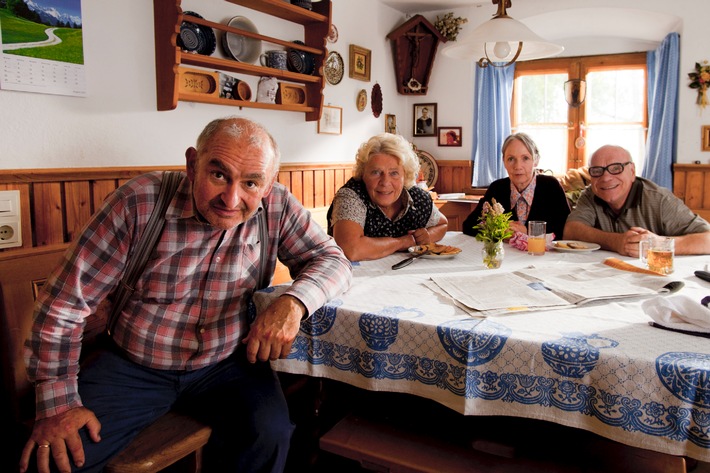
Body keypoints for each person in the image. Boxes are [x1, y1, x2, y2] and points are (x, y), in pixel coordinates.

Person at [19, 116, 352, 473]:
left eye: (251, 183)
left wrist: (294, 303)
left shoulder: (277, 206)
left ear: (268, 186)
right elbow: (64, 305)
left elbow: (333, 260)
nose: (231, 198)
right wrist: (58, 405)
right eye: (219, 174)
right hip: (133, 365)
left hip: (228, 364)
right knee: (57, 459)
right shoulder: (139, 202)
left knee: (270, 436)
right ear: (192, 165)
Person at [564, 144, 710, 256]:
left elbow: (708, 240)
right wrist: (616, 242)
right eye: (597, 171)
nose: (606, 178)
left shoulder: (659, 200)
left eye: (616, 168)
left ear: (632, 171)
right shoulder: (591, 195)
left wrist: (660, 244)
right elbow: (571, 231)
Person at [327, 132, 448, 261]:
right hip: (354, 276)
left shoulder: (417, 197)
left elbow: (442, 225)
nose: (385, 182)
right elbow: (350, 249)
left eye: (394, 173)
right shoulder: (350, 196)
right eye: (376, 172)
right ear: (363, 174)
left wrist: (427, 235)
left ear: (405, 175)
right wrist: (402, 242)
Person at [462, 132, 571, 239]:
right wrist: (499, 230)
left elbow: (565, 230)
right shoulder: (497, 188)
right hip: (507, 256)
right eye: (511, 159)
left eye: (525, 158)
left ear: (536, 161)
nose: (518, 166)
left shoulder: (551, 187)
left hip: (543, 255)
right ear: (504, 161)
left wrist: (529, 232)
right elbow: (468, 226)